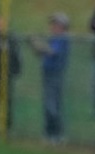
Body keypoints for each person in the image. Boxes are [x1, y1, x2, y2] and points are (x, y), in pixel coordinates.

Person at [29, 12, 71, 144]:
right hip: (47, 73)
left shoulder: (63, 39)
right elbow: (42, 53)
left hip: (55, 74)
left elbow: (52, 52)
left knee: (52, 105)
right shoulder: (53, 38)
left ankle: (56, 134)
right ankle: (49, 132)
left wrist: (38, 43)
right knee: (49, 104)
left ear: (62, 26)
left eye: (56, 24)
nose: (53, 27)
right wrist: (35, 45)